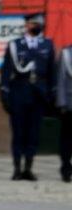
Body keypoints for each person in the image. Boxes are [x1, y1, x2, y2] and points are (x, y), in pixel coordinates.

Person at [1, 14, 55, 181]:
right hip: (19, 92)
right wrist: (4, 93)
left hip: (39, 94)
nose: (37, 25)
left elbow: (52, 71)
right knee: (18, 132)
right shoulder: (15, 45)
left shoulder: (47, 44)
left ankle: (28, 168)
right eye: (33, 23)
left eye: (39, 23)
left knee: (34, 133)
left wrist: (52, 93)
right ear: (26, 25)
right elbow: (6, 70)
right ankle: (17, 168)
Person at [59, 40, 72, 183]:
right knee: (67, 140)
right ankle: (66, 169)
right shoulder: (66, 53)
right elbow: (61, 80)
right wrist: (61, 102)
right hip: (69, 104)